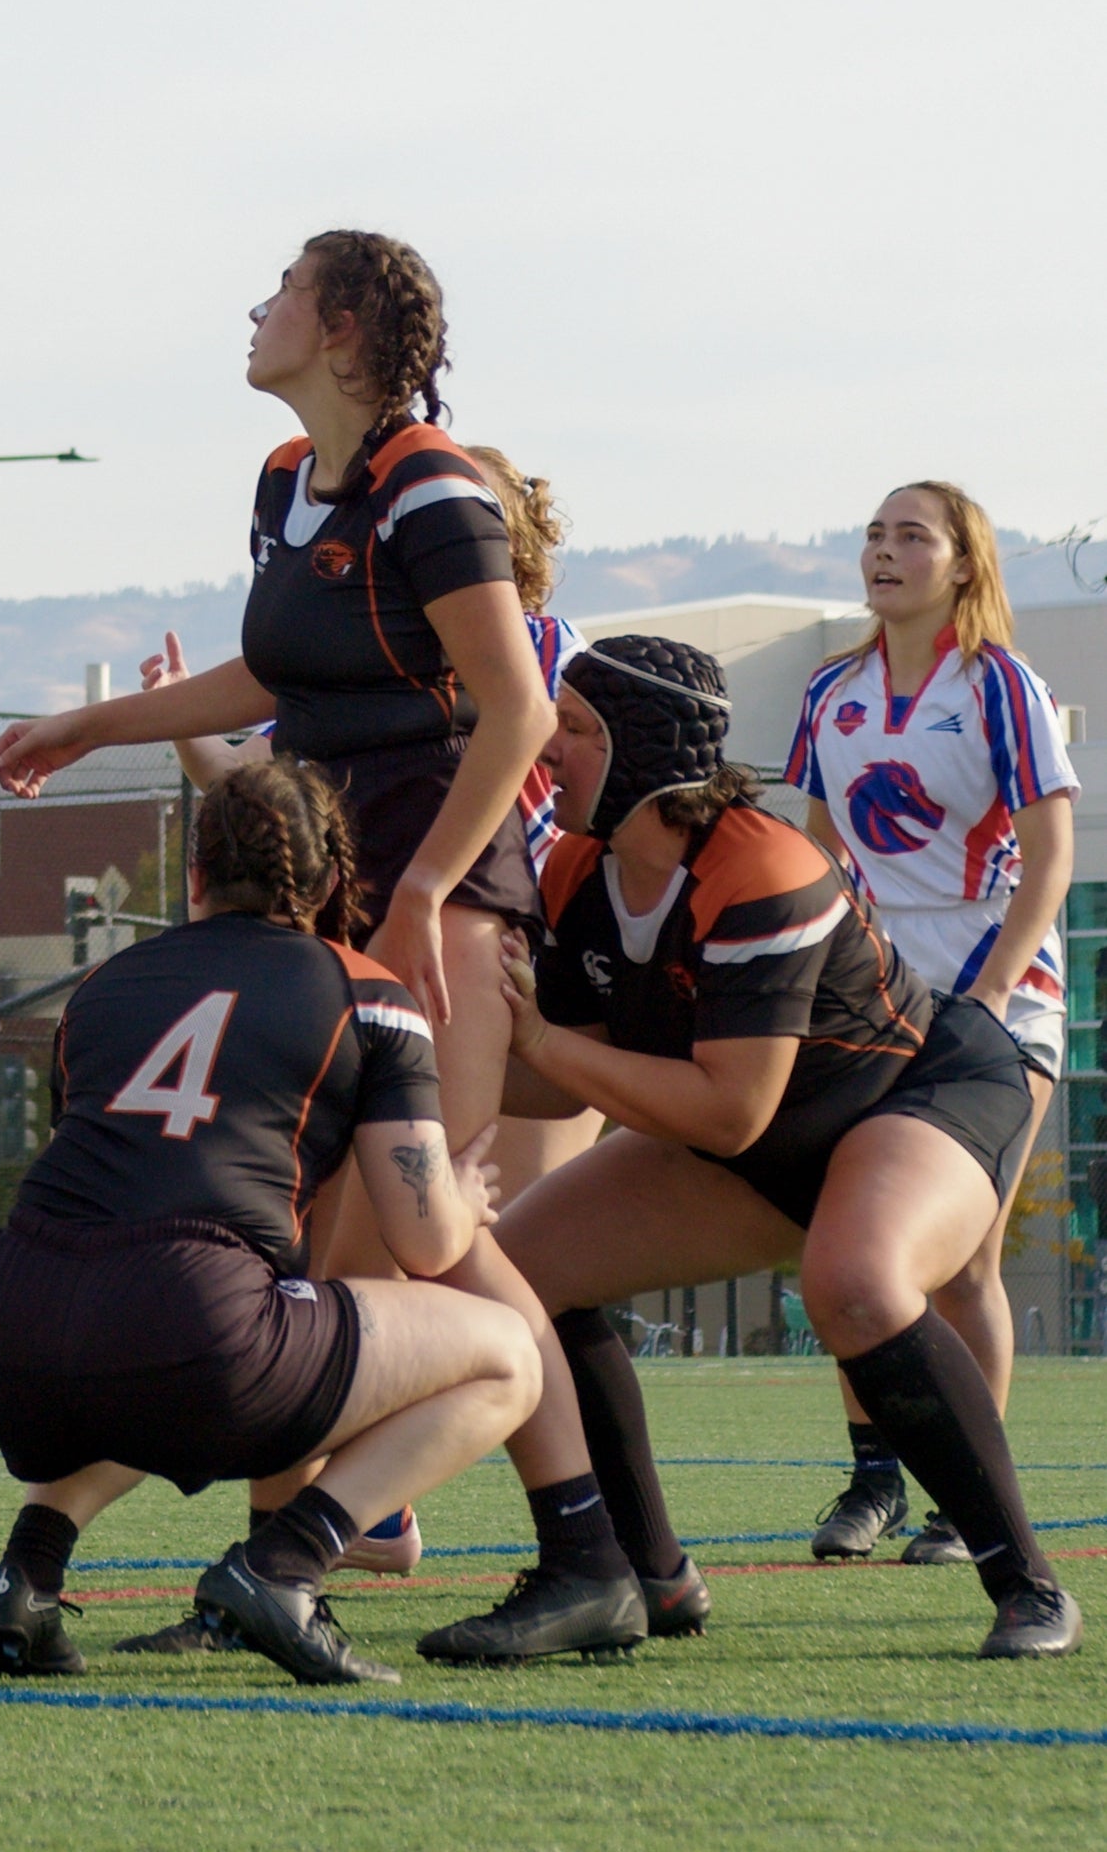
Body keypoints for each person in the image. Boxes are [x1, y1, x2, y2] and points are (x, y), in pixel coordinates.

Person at [0, 238, 674, 1659]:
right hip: (339, 888)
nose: (255, 310)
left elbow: (514, 708)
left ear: (347, 324)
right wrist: (95, 725)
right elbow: (277, 674)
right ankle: (271, 1571)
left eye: (282, 289)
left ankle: (584, 1559)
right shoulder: (280, 483)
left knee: (419, 1248)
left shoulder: (429, 483)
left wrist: (423, 894)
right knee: (293, 1251)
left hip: (437, 886)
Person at [490, 635, 1078, 1661]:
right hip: (778, 1121)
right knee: (513, 1267)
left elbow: (725, 1113)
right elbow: (567, 1070)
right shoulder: (581, 867)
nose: (547, 743)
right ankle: (642, 1571)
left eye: (577, 728)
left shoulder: (760, 864)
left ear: (649, 750)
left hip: (915, 1087)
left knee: (851, 1279)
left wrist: (533, 1038)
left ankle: (1024, 1579)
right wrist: (416, 1051)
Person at [0, 761, 545, 1687]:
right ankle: (284, 1565)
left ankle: (24, 1574)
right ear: (327, 882)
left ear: (194, 877)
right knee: (509, 1353)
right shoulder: (366, 989)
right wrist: (461, 1196)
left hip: (1, 1321)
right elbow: (425, 1242)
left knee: (147, 1347)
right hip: (192, 1322)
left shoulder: (101, 987)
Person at [135, 437, 600, 1579]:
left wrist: (535, 945)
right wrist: (167, 728)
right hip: (383, 953)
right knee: (353, 1262)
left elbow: (580, 786)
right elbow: (268, 791)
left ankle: (589, 1542)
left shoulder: (538, 657)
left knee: (454, 1257)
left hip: (487, 960)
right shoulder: (365, 647)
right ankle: (369, 1524)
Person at [783, 486, 1079, 1566]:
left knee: (962, 1259)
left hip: (996, 994)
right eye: (871, 532)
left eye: (911, 534)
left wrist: (992, 994)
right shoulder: (828, 689)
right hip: (876, 998)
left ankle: (967, 1495)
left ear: (962, 564)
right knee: (847, 1242)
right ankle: (872, 1482)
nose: (883, 549)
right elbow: (817, 860)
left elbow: (1049, 857)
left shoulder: (997, 681)